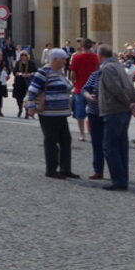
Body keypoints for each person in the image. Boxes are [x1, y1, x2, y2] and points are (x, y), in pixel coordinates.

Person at [26, 48, 79, 180]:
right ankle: (51, 169)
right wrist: (31, 107)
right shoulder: (43, 72)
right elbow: (32, 90)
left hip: (61, 112)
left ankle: (65, 168)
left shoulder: (60, 72)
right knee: (51, 141)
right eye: (63, 59)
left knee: (66, 140)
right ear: (55, 59)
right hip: (49, 113)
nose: (65, 61)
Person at [96, 45, 135, 190]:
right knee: (121, 146)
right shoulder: (119, 66)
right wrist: (134, 103)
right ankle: (123, 178)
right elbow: (130, 86)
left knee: (110, 146)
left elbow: (115, 88)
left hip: (113, 109)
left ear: (100, 55)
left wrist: (129, 103)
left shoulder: (107, 68)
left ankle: (118, 180)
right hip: (123, 110)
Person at [69, 39, 98, 142]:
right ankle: (92, 132)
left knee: (80, 112)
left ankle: (82, 134)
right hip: (93, 87)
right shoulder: (95, 57)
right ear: (91, 46)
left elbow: (73, 73)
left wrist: (74, 83)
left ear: (82, 46)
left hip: (80, 87)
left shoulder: (76, 57)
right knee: (93, 111)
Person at [12, 51, 37, 118]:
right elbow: (14, 72)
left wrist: (29, 74)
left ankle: (26, 112)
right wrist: (19, 74)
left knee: (26, 98)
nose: (23, 57)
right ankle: (20, 109)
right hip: (19, 82)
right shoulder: (18, 63)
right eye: (22, 56)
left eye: (25, 56)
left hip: (27, 82)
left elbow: (35, 72)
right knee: (19, 97)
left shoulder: (31, 63)